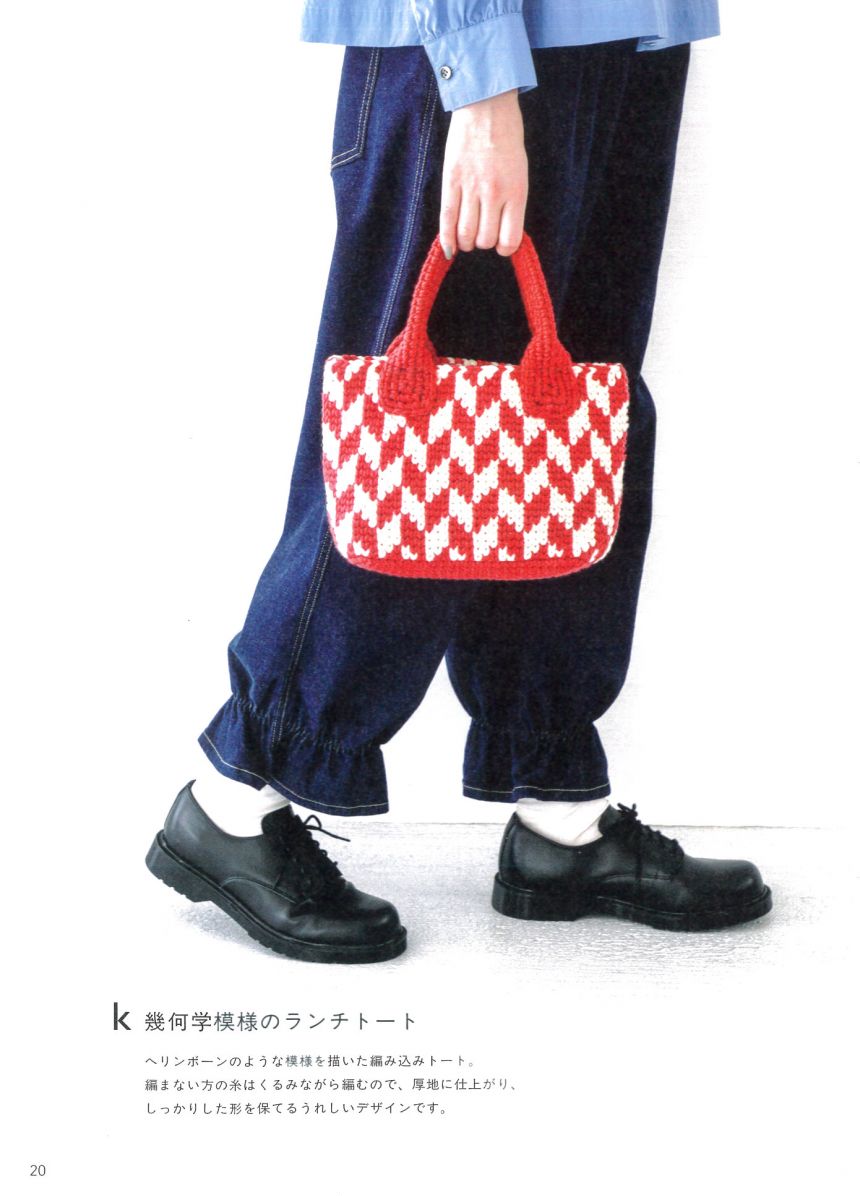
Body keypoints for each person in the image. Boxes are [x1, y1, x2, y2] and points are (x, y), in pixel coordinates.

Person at [146, 1, 772, 963]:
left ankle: (559, 813)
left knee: (568, 431)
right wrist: (477, 80)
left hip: (627, 34)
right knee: (407, 437)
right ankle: (237, 798)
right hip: (487, 50)